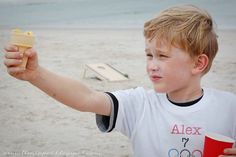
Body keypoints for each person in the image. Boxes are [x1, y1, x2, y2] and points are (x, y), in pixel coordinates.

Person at [3, 4, 236, 157]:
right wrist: (36, 74)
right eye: (149, 55)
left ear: (198, 64)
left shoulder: (229, 107)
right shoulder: (140, 104)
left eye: (163, 56)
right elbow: (86, 98)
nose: (152, 64)